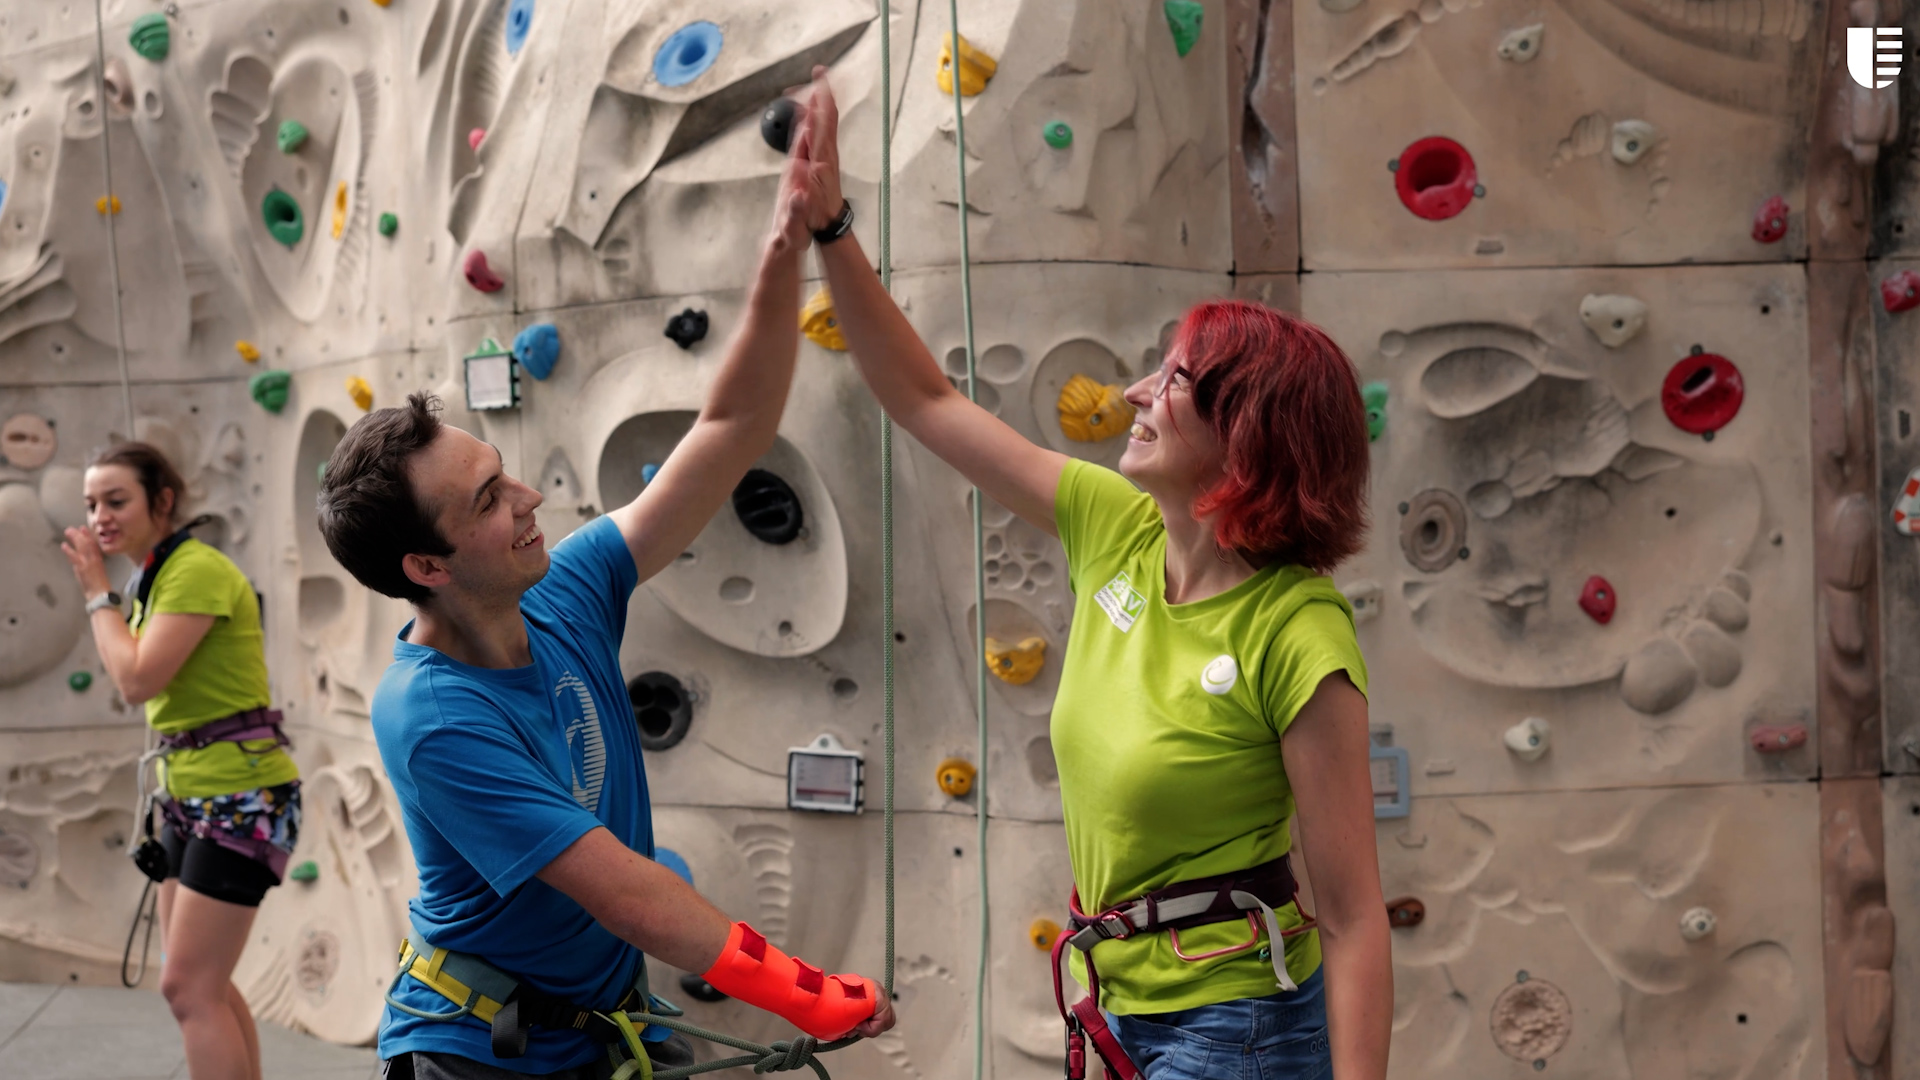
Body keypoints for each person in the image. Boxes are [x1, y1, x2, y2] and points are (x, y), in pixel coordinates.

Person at [793, 69, 1392, 1079]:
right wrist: (833, 228)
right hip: (1114, 1003)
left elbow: (1354, 916)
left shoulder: (1298, 632)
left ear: (1245, 435)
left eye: (1173, 379)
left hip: (1238, 1024)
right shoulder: (1117, 528)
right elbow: (925, 400)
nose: (1133, 391)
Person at [316, 79, 892, 1080]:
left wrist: (782, 254)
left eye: (505, 472)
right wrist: (804, 994)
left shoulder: (567, 587)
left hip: (591, 1026)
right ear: (426, 567)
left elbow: (726, 434)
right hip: (478, 1052)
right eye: (490, 499)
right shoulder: (434, 718)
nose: (531, 496)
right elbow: (626, 895)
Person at [61, 442, 297, 1080]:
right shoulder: (157, 575)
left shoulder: (192, 569)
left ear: (162, 502)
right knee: (201, 986)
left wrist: (94, 595)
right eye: (91, 504)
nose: (100, 516)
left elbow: (137, 678)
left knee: (190, 989)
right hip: (190, 793)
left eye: (116, 500)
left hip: (239, 794)